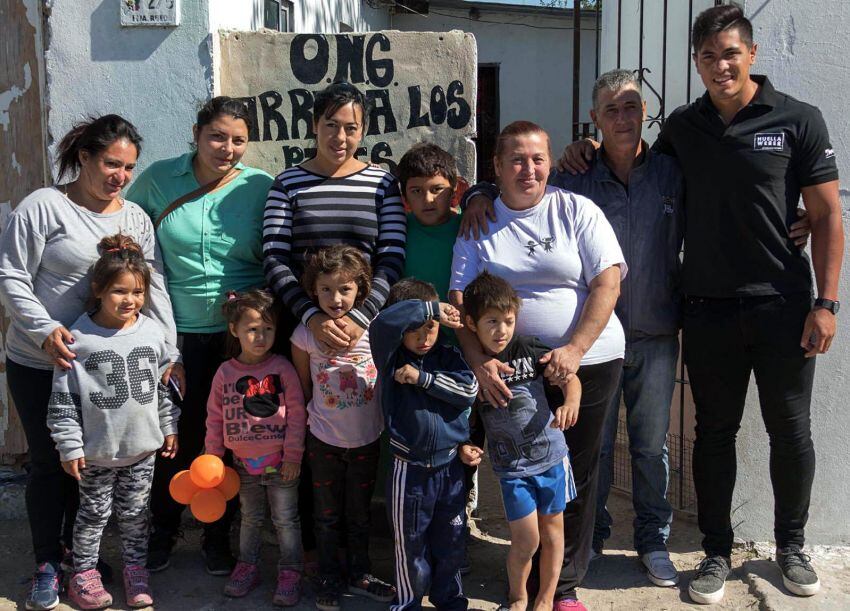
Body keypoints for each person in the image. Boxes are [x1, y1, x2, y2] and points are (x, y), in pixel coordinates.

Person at [561, 4, 843, 605]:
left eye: (731, 53)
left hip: (784, 307)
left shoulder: (798, 119)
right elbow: (631, 160)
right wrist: (577, 151)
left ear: (753, 55)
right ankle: (716, 551)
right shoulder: (683, 131)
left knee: (790, 432)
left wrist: (827, 303)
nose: (721, 65)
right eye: (709, 56)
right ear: (696, 62)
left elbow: (825, 216)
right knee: (713, 434)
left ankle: (789, 546)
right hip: (707, 311)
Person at [462, 69, 685, 587]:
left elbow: (608, 278)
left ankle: (646, 543)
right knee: (576, 460)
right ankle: (583, 549)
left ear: (645, 111)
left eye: (632, 106)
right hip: (533, 361)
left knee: (646, 448)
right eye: (612, 109)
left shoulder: (672, 172)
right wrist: (478, 191)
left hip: (635, 334)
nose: (624, 117)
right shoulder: (574, 174)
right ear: (595, 119)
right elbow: (517, 185)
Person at [0, 115, 179, 610]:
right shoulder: (45, 206)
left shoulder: (136, 218)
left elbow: (154, 285)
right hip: (40, 363)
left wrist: (168, 349)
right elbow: (11, 275)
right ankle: (45, 562)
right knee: (50, 461)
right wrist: (42, 330)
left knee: (92, 465)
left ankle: (85, 560)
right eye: (110, 163)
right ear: (84, 157)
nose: (120, 175)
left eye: (128, 167)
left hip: (108, 370)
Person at [449, 120, 627, 611]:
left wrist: (573, 351)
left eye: (538, 159)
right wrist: (481, 362)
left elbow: (607, 283)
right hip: (514, 372)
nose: (529, 169)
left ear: (550, 162)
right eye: (517, 160)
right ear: (498, 167)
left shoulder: (577, 210)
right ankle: (521, 579)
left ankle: (562, 586)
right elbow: (460, 304)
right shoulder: (480, 222)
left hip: (588, 362)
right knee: (520, 470)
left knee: (577, 473)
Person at [263, 80, 405, 580]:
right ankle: (312, 555)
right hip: (307, 329)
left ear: (363, 130)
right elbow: (275, 256)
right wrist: (312, 317)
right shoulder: (288, 184)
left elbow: (392, 257)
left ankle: (359, 557)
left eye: (351, 128)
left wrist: (359, 319)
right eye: (331, 126)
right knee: (308, 428)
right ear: (314, 126)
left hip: (364, 332)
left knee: (361, 436)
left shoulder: (382, 183)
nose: (340, 137)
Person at [126, 96, 274, 574]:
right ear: (195, 133)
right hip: (176, 336)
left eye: (238, 140)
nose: (227, 148)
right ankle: (163, 531)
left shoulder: (261, 188)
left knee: (233, 437)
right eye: (217, 136)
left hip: (241, 341)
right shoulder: (157, 180)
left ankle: (217, 537)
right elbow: (124, 233)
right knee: (175, 437)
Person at [46, 234, 180, 609]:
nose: (130, 300)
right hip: (97, 454)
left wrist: (169, 426)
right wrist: (69, 445)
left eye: (138, 292)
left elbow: (162, 389)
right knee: (92, 516)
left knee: (137, 515)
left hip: (142, 451)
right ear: (98, 289)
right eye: (120, 291)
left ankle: (135, 570)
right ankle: (83, 573)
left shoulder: (153, 333)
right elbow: (64, 400)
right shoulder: (78, 340)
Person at [459, 272, 580, 611]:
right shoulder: (471, 367)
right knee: (526, 540)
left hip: (552, 460)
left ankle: (543, 600)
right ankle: (518, 596)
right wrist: (465, 445)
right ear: (472, 322)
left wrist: (571, 402)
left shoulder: (529, 348)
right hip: (512, 469)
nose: (501, 330)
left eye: (508, 321)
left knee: (554, 535)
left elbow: (570, 379)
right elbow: (466, 416)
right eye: (492, 321)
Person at [290, 245, 394, 611]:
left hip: (368, 439)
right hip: (324, 441)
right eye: (327, 289)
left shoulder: (376, 331)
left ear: (360, 290)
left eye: (345, 289)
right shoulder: (304, 335)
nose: (336, 298)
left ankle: (360, 573)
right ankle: (329, 575)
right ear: (313, 291)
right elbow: (303, 385)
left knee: (360, 514)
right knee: (326, 515)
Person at [370, 278, 478, 611]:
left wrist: (424, 379)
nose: (424, 336)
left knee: (452, 542)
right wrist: (431, 308)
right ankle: (408, 602)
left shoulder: (447, 355)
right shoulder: (389, 358)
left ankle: (450, 599)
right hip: (409, 470)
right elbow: (381, 323)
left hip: (450, 470)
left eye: (431, 327)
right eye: (415, 329)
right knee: (410, 544)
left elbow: (469, 391)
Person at [204, 289, 307, 606]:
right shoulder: (225, 373)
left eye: (268, 329)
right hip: (242, 466)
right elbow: (214, 418)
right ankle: (247, 566)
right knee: (249, 518)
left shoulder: (283, 368)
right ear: (235, 330)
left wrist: (293, 456)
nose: (260, 337)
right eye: (252, 329)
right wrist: (213, 460)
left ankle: (290, 571)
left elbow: (297, 414)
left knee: (286, 521)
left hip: (281, 465)